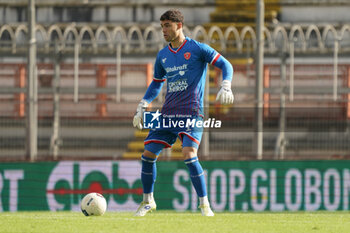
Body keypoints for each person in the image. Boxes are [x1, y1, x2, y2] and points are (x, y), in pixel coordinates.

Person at [133, 9, 234, 217]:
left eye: (167, 25)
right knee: (147, 154)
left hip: (191, 113)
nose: (163, 30)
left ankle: (204, 205)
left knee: (189, 154)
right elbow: (156, 83)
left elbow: (225, 64)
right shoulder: (163, 56)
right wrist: (143, 103)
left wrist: (226, 85)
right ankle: (147, 201)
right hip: (168, 114)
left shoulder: (197, 49)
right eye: (162, 26)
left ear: (179, 26)